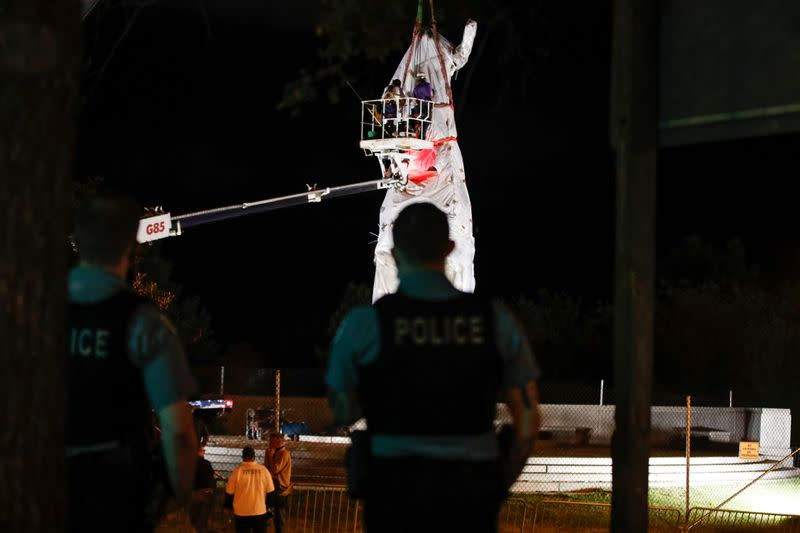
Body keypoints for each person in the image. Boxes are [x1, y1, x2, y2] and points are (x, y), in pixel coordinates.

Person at [327, 202, 541, 533]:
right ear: (450, 248)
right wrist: (497, 485)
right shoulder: (495, 321)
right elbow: (527, 420)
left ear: (394, 254)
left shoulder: (363, 325)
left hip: (393, 494)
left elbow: (342, 411)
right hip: (471, 494)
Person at [67, 193, 198, 532]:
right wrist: (180, 497)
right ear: (133, 246)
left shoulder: (29, 311)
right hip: (112, 495)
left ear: (77, 239)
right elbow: (179, 431)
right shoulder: (145, 324)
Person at [225, 446, 275, 533]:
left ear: (242, 457)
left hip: (241, 512)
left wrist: (228, 507)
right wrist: (269, 507)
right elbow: (271, 492)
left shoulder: (237, 472)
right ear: (254, 457)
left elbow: (229, 493)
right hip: (259, 511)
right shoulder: (263, 470)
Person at [264, 432, 293, 533]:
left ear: (278, 441)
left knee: (279, 517)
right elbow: (267, 468)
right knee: (267, 512)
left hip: (280, 488)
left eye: (271, 441)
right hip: (272, 486)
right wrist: (268, 455)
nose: (269, 443)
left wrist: (271, 456)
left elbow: (275, 469)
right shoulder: (273, 451)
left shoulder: (284, 454)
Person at [189, 446, 217, 533]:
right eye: (203, 450)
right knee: (203, 519)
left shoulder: (190, 463)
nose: (204, 452)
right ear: (199, 452)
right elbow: (212, 475)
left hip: (194, 493)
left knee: (194, 518)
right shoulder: (207, 463)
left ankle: (196, 529)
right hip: (206, 492)